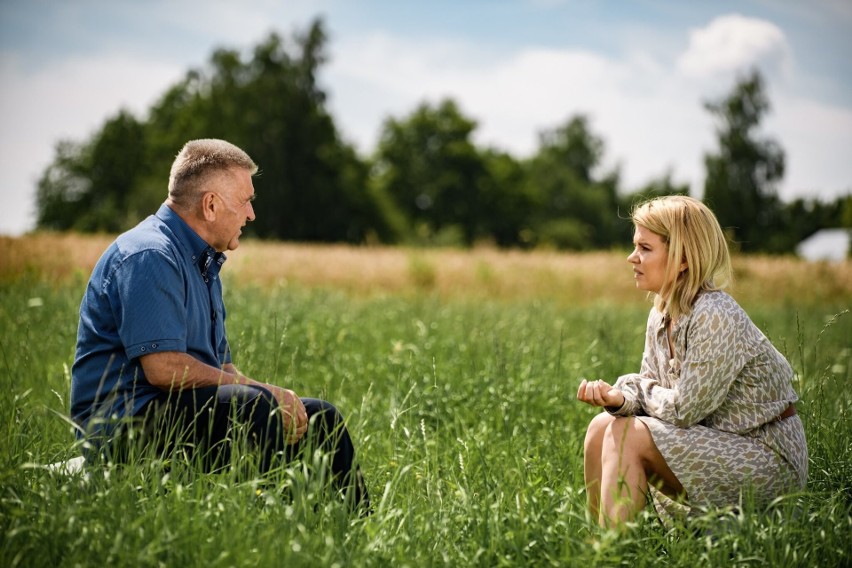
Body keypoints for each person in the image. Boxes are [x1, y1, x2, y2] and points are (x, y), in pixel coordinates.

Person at [70, 138, 369, 511]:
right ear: (210, 205)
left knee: (320, 416)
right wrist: (265, 394)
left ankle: (353, 527)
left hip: (176, 410)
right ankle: (264, 524)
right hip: (122, 428)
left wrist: (280, 395)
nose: (251, 215)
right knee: (253, 406)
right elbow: (164, 369)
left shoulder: (204, 262)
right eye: (245, 201)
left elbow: (222, 369)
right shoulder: (150, 255)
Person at [577, 195, 807, 528]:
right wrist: (621, 400)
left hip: (765, 456)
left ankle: (613, 555)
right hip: (713, 444)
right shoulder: (659, 315)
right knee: (602, 425)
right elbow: (653, 400)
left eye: (645, 248)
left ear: (682, 258)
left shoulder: (715, 314)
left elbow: (684, 410)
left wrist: (636, 389)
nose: (632, 257)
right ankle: (598, 550)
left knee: (630, 435)